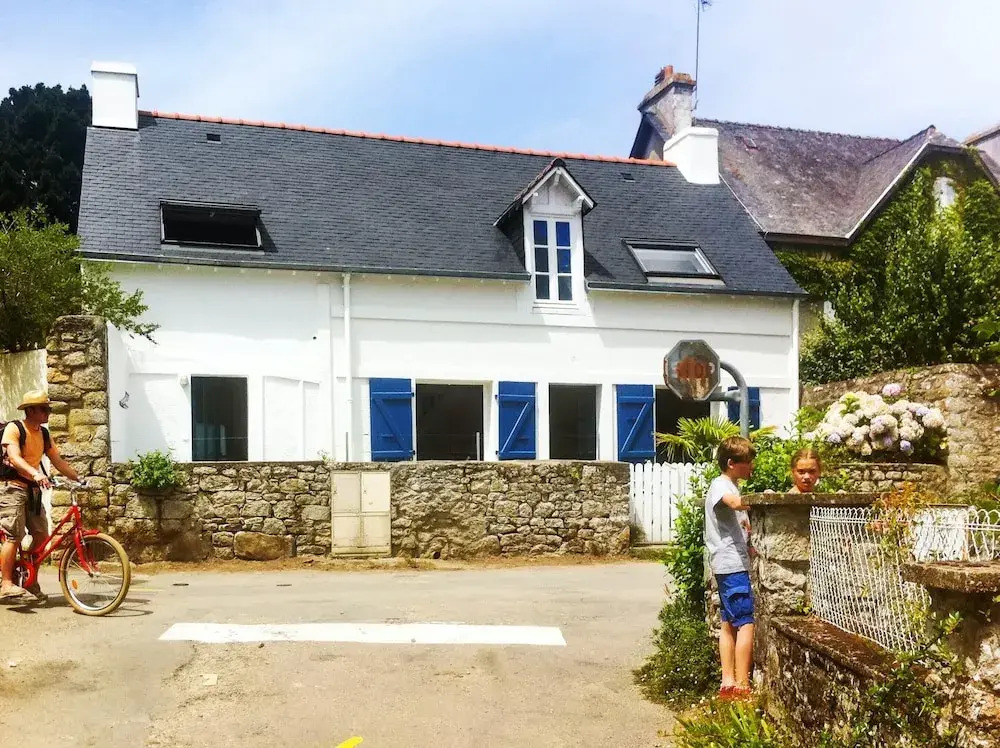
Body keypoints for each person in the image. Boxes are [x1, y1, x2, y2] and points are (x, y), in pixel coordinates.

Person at [1, 390, 82, 601]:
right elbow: (14, 457)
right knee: (13, 535)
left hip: (33, 491)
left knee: (42, 535)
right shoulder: (15, 428)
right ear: (30, 411)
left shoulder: (44, 434)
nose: (48, 413)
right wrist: (36, 473)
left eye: (48, 409)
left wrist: (79, 478)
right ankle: (7, 584)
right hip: (13, 488)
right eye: (44, 409)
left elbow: (58, 461)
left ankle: (29, 578)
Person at [705, 435, 756, 701]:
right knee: (745, 622)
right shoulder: (721, 485)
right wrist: (764, 500)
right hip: (731, 565)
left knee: (728, 623)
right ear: (731, 463)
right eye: (747, 462)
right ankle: (742, 684)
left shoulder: (730, 485)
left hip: (729, 563)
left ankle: (727, 682)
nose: (751, 466)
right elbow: (734, 503)